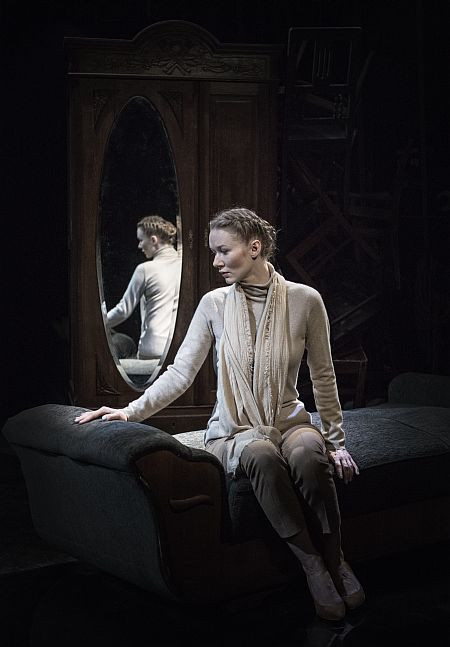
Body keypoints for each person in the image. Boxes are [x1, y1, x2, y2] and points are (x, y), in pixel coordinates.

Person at [76, 207, 365, 621]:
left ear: (255, 248)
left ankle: (336, 556)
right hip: (235, 430)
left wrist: (336, 442)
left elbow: (323, 376)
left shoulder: (305, 300)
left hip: (289, 420)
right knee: (261, 454)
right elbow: (180, 373)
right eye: (214, 252)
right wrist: (129, 412)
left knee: (307, 454)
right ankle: (312, 564)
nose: (215, 262)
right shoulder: (214, 304)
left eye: (223, 251)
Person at [106, 215, 181, 360]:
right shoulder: (184, 266)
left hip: (153, 348)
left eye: (141, 240)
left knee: (122, 343)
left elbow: (123, 311)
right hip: (178, 347)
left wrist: (99, 323)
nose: (139, 246)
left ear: (153, 240)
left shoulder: (145, 269)